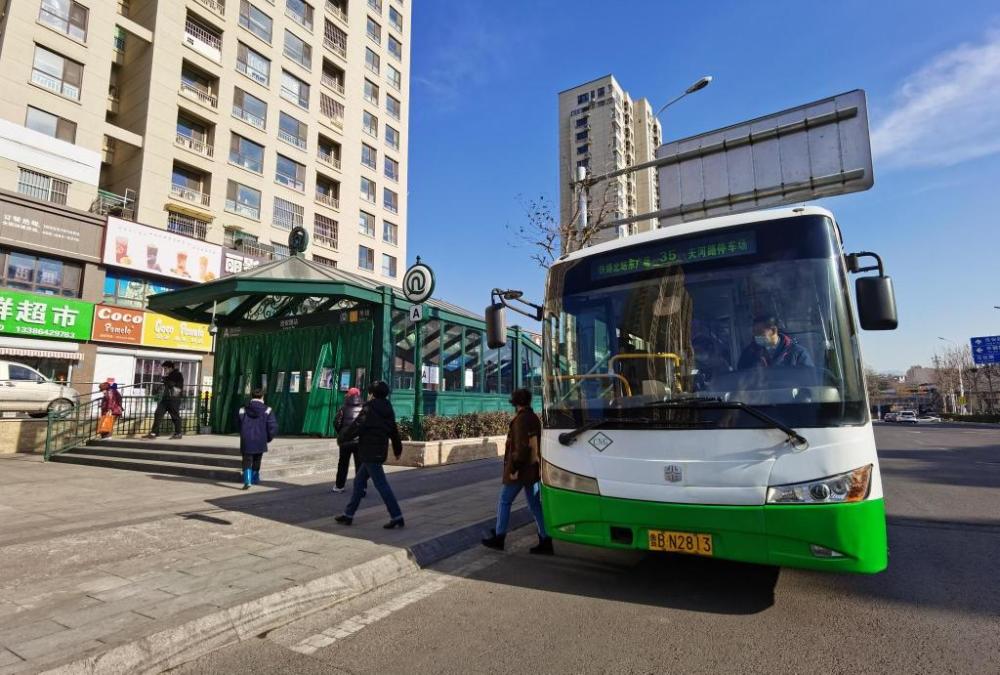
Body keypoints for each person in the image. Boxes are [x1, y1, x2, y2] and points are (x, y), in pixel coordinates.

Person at [482, 388, 553, 555]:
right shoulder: (534, 418)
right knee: (535, 505)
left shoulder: (521, 420)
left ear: (515, 403)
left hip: (520, 470)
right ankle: (546, 538)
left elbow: (521, 448)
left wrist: (513, 468)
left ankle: (499, 537)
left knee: (504, 501)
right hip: (533, 469)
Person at [334, 381, 405, 529]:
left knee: (381, 485)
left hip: (369, 452)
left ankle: (397, 516)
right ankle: (348, 515)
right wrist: (398, 449)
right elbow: (393, 431)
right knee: (359, 483)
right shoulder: (388, 407)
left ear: (372, 394)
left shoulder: (369, 407)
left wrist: (343, 437)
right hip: (379, 451)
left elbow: (357, 426)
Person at [737, 315, 814, 370]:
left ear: (773, 330)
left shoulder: (798, 353)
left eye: (759, 332)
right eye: (754, 332)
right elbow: (741, 381)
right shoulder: (748, 354)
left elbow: (809, 380)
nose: (755, 336)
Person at [238, 388, 278, 489]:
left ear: (251, 397)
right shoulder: (268, 410)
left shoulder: (243, 409)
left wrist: (243, 434)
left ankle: (247, 480)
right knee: (257, 460)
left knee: (246, 460)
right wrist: (268, 438)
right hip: (260, 439)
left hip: (246, 439)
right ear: (262, 397)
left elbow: (238, 423)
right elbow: (272, 426)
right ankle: (255, 478)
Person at [331, 387, 363, 493]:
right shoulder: (363, 407)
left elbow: (336, 423)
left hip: (345, 441)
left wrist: (341, 432)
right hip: (359, 441)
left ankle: (339, 486)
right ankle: (360, 488)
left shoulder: (343, 408)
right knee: (360, 464)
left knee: (343, 464)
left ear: (348, 396)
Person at [144, 361, 184, 439]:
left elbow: (172, 385)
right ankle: (154, 433)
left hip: (174, 399)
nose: (164, 370)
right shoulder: (169, 375)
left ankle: (178, 433)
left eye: (165, 368)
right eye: (164, 368)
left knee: (175, 416)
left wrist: (165, 380)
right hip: (166, 398)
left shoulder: (177, 374)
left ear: (170, 368)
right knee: (158, 413)